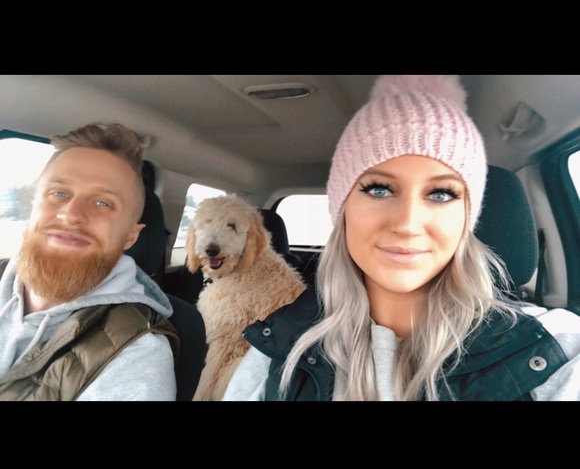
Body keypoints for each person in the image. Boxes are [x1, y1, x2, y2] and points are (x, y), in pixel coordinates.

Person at [222, 75, 580, 401]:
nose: (408, 224)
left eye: (441, 194)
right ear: (343, 210)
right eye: (379, 190)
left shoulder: (552, 351)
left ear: (466, 218)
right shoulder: (278, 354)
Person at [0, 122, 179, 401]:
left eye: (103, 203)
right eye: (59, 193)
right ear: (34, 206)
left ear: (130, 236)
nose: (71, 214)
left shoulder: (136, 357)